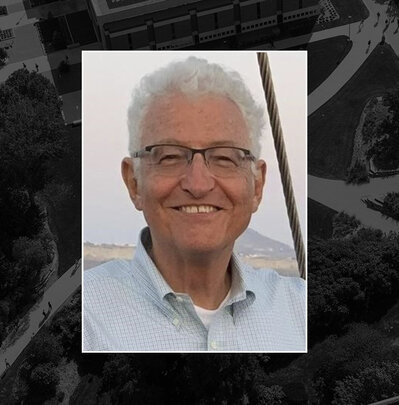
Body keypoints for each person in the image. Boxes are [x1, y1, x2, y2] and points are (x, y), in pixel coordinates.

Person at [83, 56, 305, 352]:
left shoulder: (301, 309)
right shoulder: (84, 318)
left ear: (257, 186)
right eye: (170, 157)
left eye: (225, 158)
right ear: (134, 183)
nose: (198, 184)